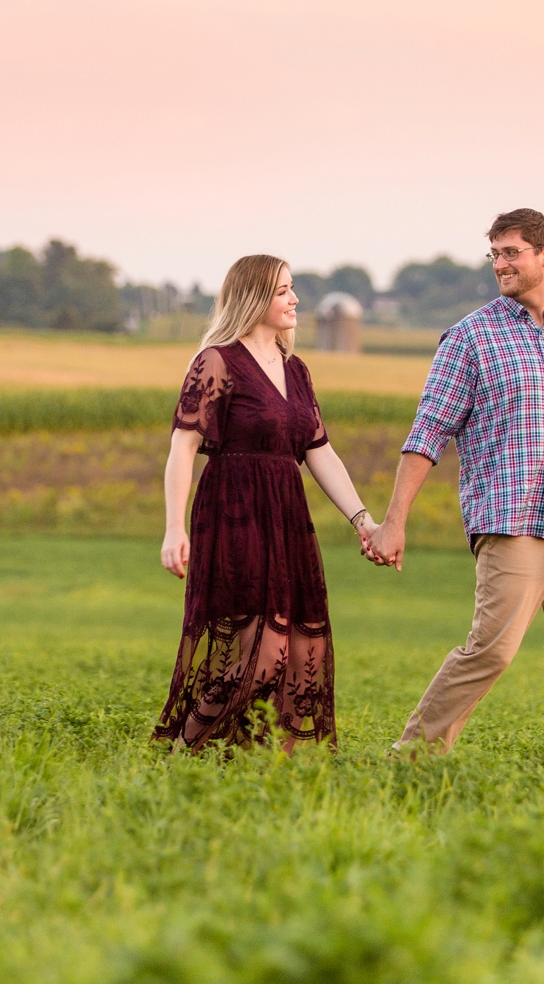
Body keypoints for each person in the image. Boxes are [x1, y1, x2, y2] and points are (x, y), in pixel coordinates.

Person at [366, 208, 544, 757]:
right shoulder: (470, 338)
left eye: (511, 252)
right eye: (494, 254)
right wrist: (394, 522)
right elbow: (428, 434)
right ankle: (414, 755)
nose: (500, 263)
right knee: (491, 651)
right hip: (511, 523)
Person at [153, 254, 382, 750]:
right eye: (283, 290)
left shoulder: (296, 370)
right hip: (234, 510)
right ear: (254, 298)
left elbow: (319, 452)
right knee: (263, 651)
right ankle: (182, 750)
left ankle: (262, 770)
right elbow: (182, 446)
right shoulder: (217, 360)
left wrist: (362, 519)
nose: (295, 298)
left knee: (299, 650)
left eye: (292, 288)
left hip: (286, 515)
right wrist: (175, 528)